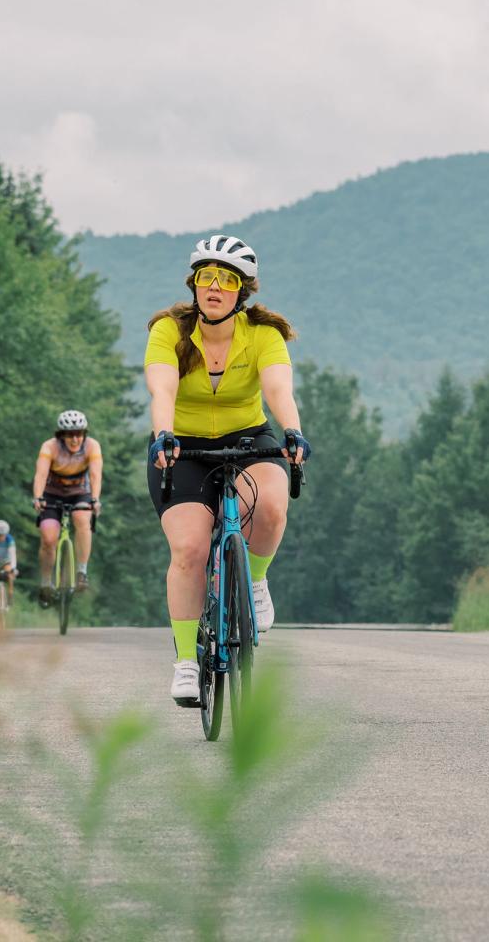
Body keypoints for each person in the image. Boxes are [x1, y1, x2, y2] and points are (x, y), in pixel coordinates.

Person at [144, 234, 311, 705]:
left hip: (247, 439)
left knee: (272, 507)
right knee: (190, 550)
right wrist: (163, 433)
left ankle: (255, 579)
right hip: (182, 445)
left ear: (243, 291)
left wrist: (293, 431)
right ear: (194, 284)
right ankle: (184, 661)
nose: (214, 286)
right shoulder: (169, 332)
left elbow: (279, 390)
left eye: (227, 279)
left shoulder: (264, 335)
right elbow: (163, 391)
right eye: (206, 277)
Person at [31, 410, 102, 602]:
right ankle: (46, 582)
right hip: (52, 494)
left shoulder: (92, 446)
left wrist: (95, 499)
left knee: (82, 519)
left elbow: (95, 475)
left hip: (80, 492)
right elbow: (41, 474)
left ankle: (81, 572)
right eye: (70, 434)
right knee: (48, 537)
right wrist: (38, 497)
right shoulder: (49, 447)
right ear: (61, 435)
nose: (75, 438)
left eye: (79, 433)